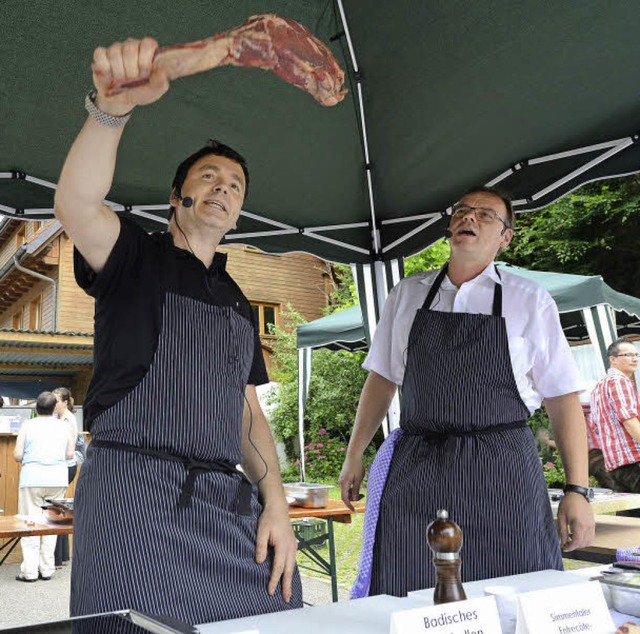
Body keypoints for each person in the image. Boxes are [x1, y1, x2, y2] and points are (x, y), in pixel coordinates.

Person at [53, 36, 302, 624]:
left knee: (277, 611)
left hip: (219, 500)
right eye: (210, 176)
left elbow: (246, 412)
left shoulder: (239, 302)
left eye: (236, 185)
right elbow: (76, 203)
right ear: (177, 196)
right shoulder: (134, 256)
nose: (223, 188)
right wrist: (111, 111)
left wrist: (277, 507)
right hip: (130, 493)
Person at [339, 186, 595, 598]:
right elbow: (382, 379)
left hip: (504, 473)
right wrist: (353, 456)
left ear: (505, 236)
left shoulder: (530, 301)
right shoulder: (407, 294)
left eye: (485, 215)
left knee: (514, 590)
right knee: (411, 589)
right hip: (419, 469)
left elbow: (563, 399)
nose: (469, 218)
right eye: (462, 211)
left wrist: (577, 491)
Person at [13, 391, 75, 582]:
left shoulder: (28, 425)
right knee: (52, 523)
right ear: (54, 407)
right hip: (57, 478)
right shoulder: (63, 426)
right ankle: (47, 569)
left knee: (29, 522)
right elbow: (70, 454)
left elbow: (17, 454)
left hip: (32, 479)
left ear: (36, 408)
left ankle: (30, 572)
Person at [590, 337, 640, 494]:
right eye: (628, 355)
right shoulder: (620, 381)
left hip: (614, 464)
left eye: (636, 355)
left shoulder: (598, 388)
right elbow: (629, 420)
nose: (634, 359)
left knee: (630, 515)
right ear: (613, 359)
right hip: (633, 460)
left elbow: (596, 427)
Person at [52, 387, 77, 568]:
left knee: (56, 508)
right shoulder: (58, 418)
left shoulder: (67, 420)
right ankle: (60, 556)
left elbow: (68, 449)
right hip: (61, 465)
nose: (54, 404)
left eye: (57, 401)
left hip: (65, 466)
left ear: (65, 402)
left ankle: (58, 557)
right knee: (56, 507)